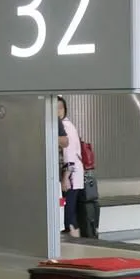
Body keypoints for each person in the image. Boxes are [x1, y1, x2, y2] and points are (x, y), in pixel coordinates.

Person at [57, 95, 84, 237]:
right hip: (74, 175)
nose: (58, 112)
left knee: (69, 215)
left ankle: (76, 244)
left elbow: (69, 153)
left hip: (71, 176)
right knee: (70, 213)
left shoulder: (65, 126)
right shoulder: (68, 124)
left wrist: (66, 177)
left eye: (60, 108)